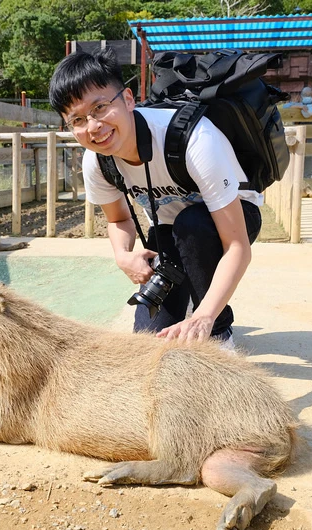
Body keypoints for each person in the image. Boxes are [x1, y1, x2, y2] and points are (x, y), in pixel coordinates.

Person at [48, 49, 262, 349]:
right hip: (169, 229)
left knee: (193, 225)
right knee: (149, 341)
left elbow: (237, 246)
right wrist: (123, 256)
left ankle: (218, 331)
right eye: (78, 120)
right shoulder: (97, 162)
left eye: (99, 107)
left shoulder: (194, 139)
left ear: (128, 99)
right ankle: (188, 308)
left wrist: (205, 318)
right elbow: (119, 219)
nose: (93, 127)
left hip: (233, 214)